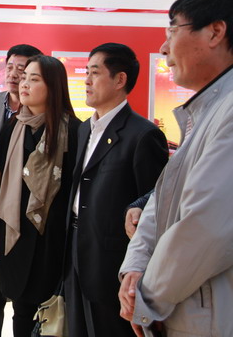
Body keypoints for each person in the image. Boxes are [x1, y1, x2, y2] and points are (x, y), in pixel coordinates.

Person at [119, 0, 233, 337]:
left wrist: (146, 296)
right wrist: (135, 266)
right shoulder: (205, 111)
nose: (164, 48)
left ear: (215, 32)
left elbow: (205, 227)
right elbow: (161, 200)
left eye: (172, 31)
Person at [64, 43, 168, 337]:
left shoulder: (143, 135)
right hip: (76, 252)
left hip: (113, 264)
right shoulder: (85, 129)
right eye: (86, 72)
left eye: (95, 73)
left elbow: (153, 207)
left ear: (120, 79)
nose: (86, 80)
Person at [0, 55, 80, 336]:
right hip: (13, 229)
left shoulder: (73, 130)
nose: (24, 84)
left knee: (52, 309)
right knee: (21, 308)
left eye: (33, 79)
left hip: (52, 236)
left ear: (53, 86)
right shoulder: (13, 126)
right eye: (24, 78)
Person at [0, 44, 42, 337]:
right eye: (10, 67)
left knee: (24, 292)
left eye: (23, 70)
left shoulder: (40, 111)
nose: (14, 75)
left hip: (25, 212)